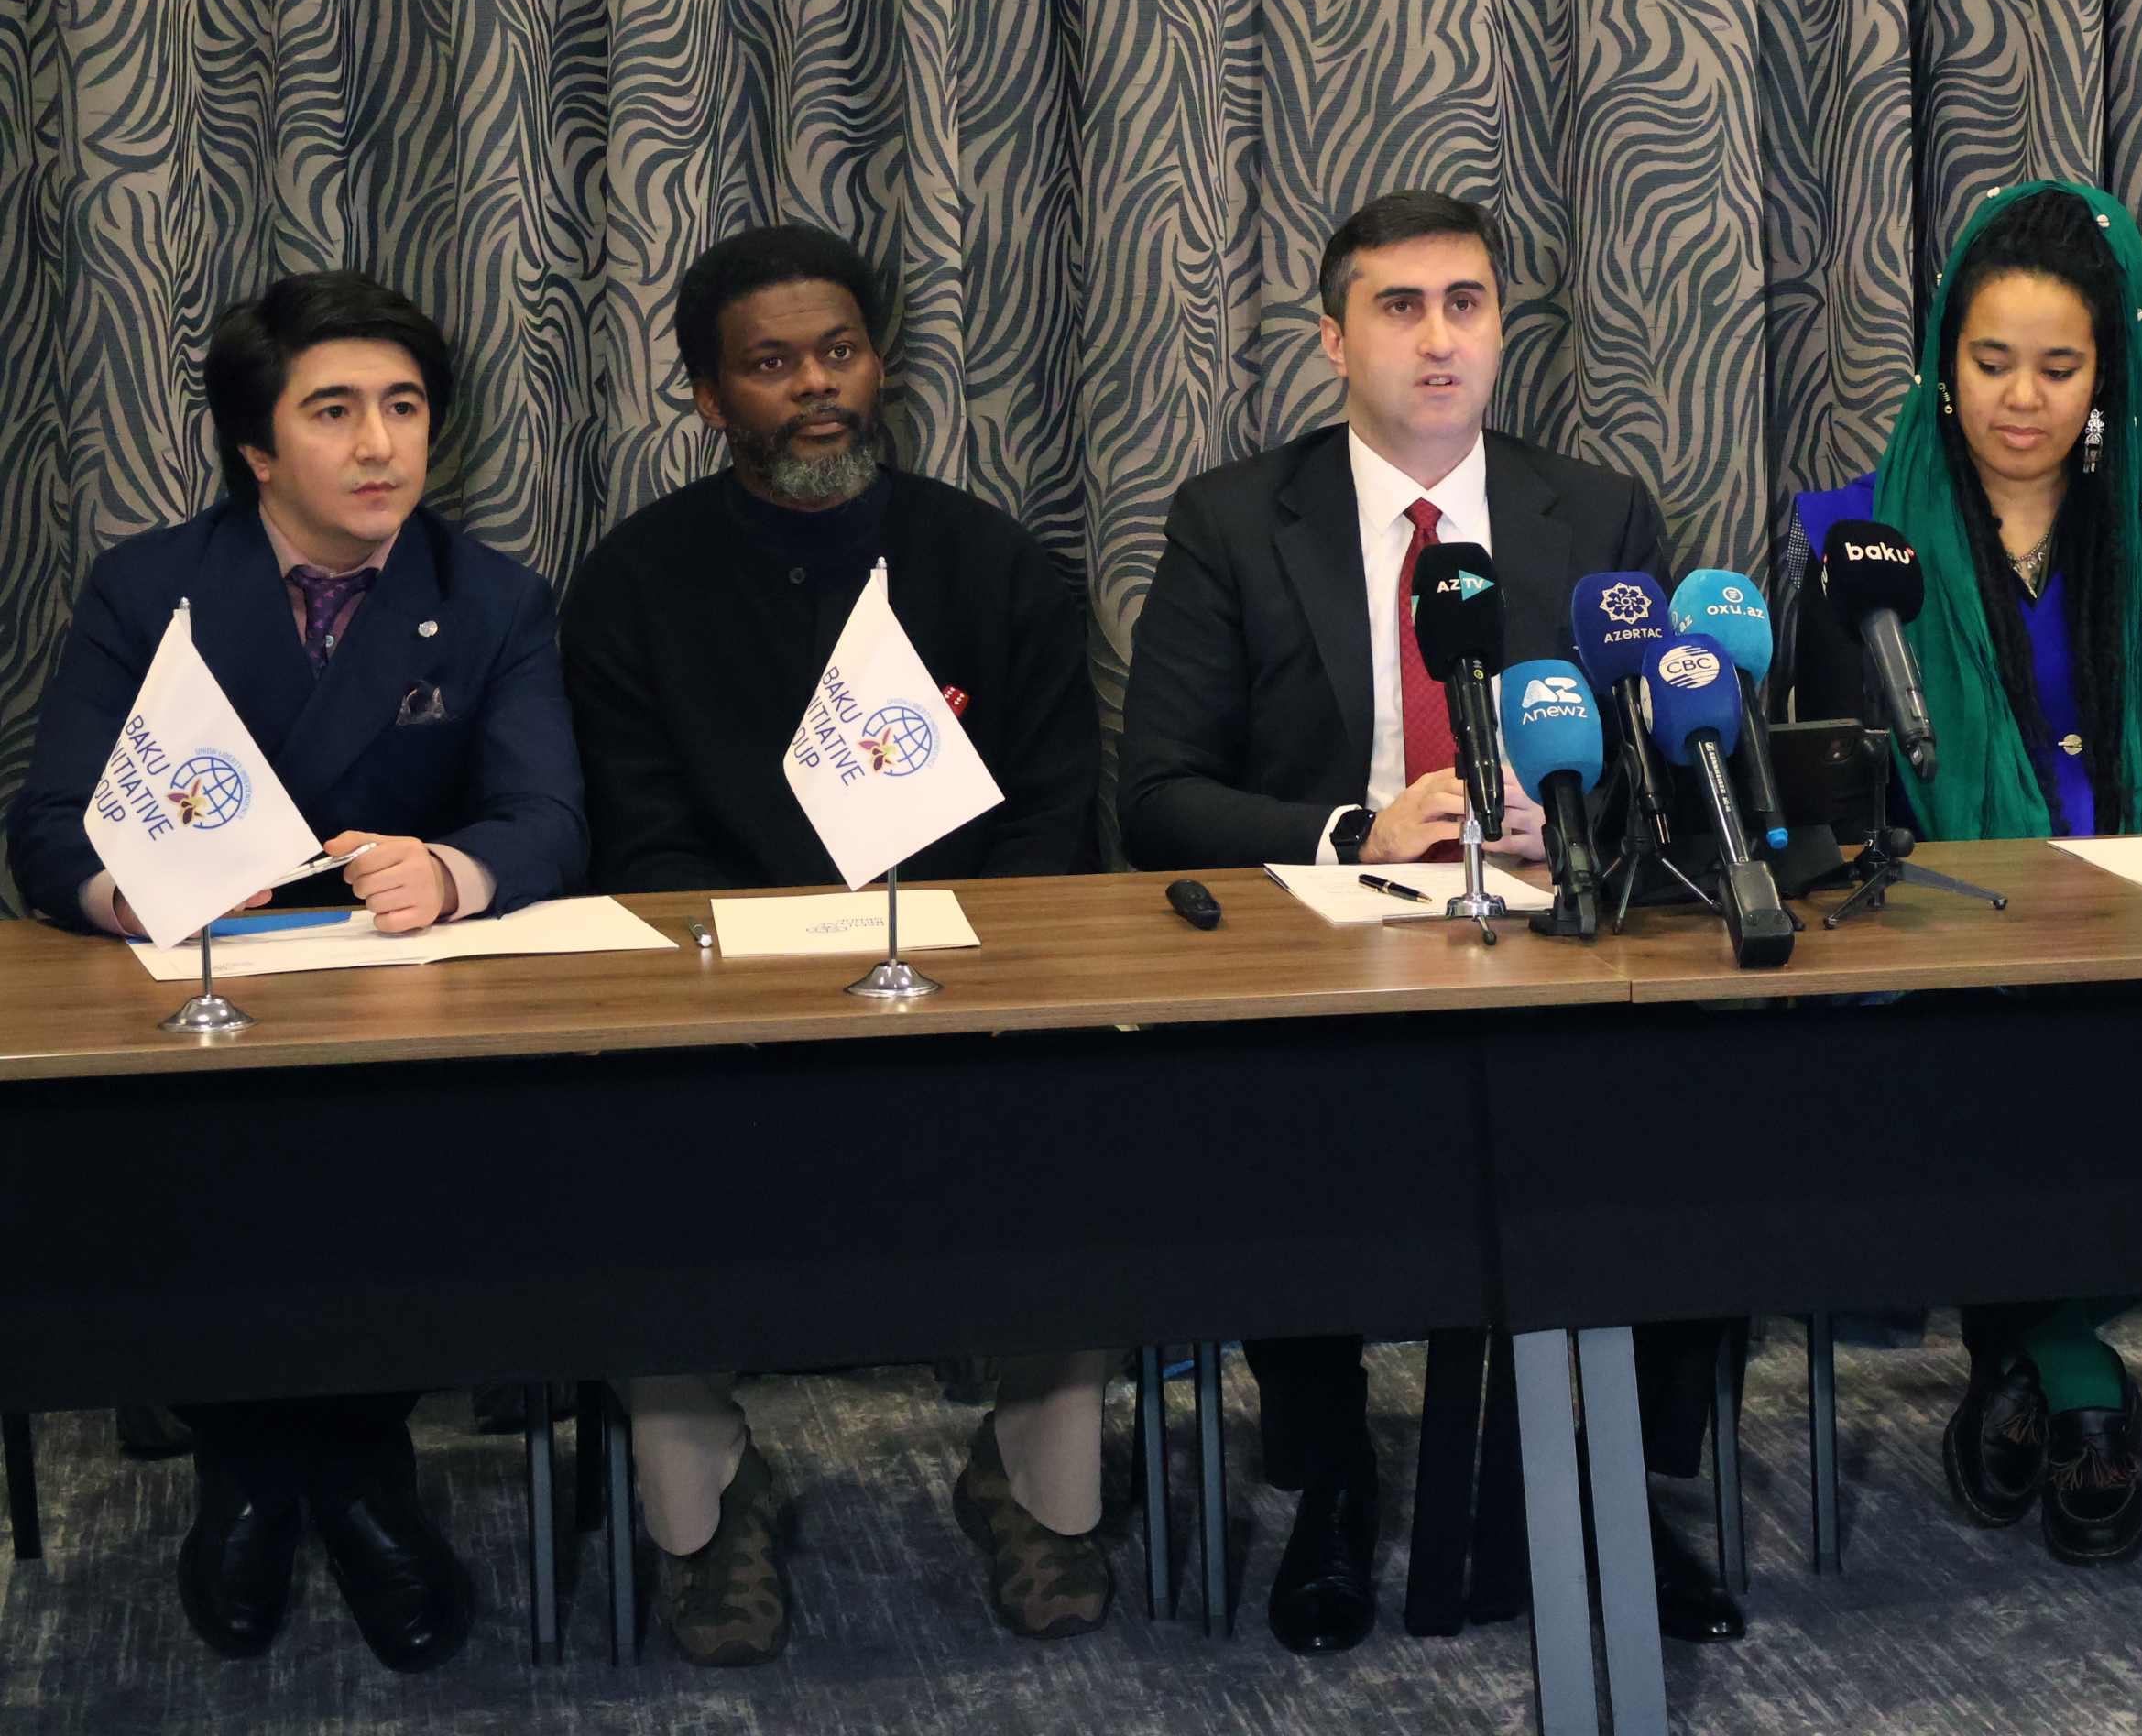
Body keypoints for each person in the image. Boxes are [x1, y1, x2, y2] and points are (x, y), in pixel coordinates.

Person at [1118, 189, 1743, 1652]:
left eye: (1467, 304)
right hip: (1327, 956)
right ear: (1334, 339)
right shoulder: (1233, 521)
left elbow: (1676, 762)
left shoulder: (1595, 514)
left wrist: (1575, 811)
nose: (1439, 338)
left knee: (1700, 1098)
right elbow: (1156, 794)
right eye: (1399, 308)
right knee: (1279, 1117)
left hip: (1553, 942)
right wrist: (1358, 832)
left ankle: (1616, 1479)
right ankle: (1331, 1476)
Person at [5, 271, 590, 1670]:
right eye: (334, 411)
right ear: (256, 449)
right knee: (202, 1175)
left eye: (405, 406)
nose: (381, 445)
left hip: (397, 1003)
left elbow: (550, 817)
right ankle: (251, 1473)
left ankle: (362, 1471)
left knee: (398, 1175)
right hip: (194, 996)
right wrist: (131, 894)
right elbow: (48, 825)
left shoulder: (491, 596)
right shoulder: (150, 586)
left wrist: (453, 872)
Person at [557, 224, 1111, 1663]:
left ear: (879, 366)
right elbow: (640, 846)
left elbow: (1057, 821)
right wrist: (782, 974)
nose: (816, 386)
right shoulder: (632, 585)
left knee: (1093, 1112)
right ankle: (705, 1511)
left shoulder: (995, 566)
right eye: (771, 364)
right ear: (707, 397)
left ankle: (1040, 1491)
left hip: (979, 994)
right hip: (726, 1006)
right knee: (618, 1136)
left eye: (840, 352)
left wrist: (968, 968)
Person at [1795, 179, 2142, 1565]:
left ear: (2109, 373)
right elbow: (1835, 801)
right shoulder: (1856, 538)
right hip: (1946, 937)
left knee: (2136, 1038)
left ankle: (2024, 1365)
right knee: (2006, 1043)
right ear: (1943, 362)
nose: (2022, 401)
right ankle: (2082, 1377)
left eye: (2058, 367)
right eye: (1990, 363)